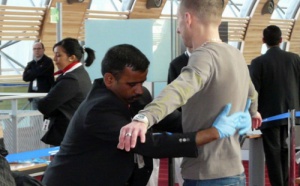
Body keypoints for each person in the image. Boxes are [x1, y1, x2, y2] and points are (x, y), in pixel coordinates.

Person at [42, 44, 251, 186]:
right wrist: (213, 132)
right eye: (132, 84)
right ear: (109, 80)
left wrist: (219, 120)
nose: (139, 90)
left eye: (142, 82)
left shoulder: (137, 97)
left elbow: (174, 122)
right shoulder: (98, 109)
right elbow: (149, 144)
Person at [118, 0, 262, 185]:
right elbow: (252, 94)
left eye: (178, 21)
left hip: (207, 176)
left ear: (188, 18)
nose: (178, 30)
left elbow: (180, 88)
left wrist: (144, 118)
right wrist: (254, 112)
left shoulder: (204, 55)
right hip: (235, 173)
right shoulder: (236, 55)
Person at [250, 25, 300, 186]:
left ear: (263, 41)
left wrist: (253, 112)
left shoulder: (258, 62)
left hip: (269, 116)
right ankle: (286, 182)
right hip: (291, 114)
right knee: (286, 149)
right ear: (281, 40)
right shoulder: (294, 59)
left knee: (273, 153)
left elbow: (253, 91)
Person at [37, 37, 95, 146]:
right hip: (74, 133)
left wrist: (47, 103)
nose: (54, 59)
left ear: (72, 57)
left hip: (66, 135)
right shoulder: (81, 73)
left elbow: (45, 106)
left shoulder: (71, 79)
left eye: (58, 55)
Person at [23, 42, 55, 110]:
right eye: (34, 49)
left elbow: (38, 72)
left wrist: (31, 72)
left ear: (43, 49)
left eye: (39, 48)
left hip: (44, 95)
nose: (36, 50)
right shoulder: (31, 63)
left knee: (45, 117)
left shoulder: (48, 61)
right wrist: (37, 70)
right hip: (33, 94)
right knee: (35, 118)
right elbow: (25, 77)